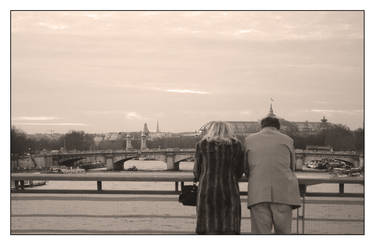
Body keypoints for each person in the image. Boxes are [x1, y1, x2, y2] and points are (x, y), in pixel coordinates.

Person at [244, 116, 301, 234]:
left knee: (260, 234)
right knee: (283, 233)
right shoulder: (288, 140)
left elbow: (246, 169)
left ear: (262, 126)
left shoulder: (249, 140)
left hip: (258, 192)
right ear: (278, 127)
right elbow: (292, 167)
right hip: (284, 193)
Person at [193, 121, 244, 234]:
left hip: (207, 188)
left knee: (208, 223)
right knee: (229, 224)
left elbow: (197, 171)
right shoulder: (237, 145)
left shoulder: (202, 144)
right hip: (229, 189)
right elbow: (240, 171)